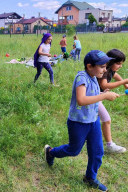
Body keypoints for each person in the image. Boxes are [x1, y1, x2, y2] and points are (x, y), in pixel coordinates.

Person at [44, 50, 119, 191]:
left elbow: (93, 95)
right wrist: (104, 97)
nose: (105, 69)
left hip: (93, 121)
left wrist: (104, 93)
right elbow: (81, 100)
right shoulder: (82, 77)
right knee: (74, 150)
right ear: (90, 66)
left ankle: (90, 177)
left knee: (97, 151)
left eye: (106, 66)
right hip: (78, 123)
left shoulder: (94, 77)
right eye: (102, 67)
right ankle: (51, 152)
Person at [97, 49, 128, 153]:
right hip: (94, 98)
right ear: (111, 62)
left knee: (93, 119)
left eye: (121, 64)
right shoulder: (104, 71)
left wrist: (124, 83)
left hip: (98, 96)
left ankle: (89, 137)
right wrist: (123, 82)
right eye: (118, 63)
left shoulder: (111, 70)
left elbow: (115, 75)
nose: (120, 66)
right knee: (106, 120)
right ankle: (110, 145)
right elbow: (104, 85)